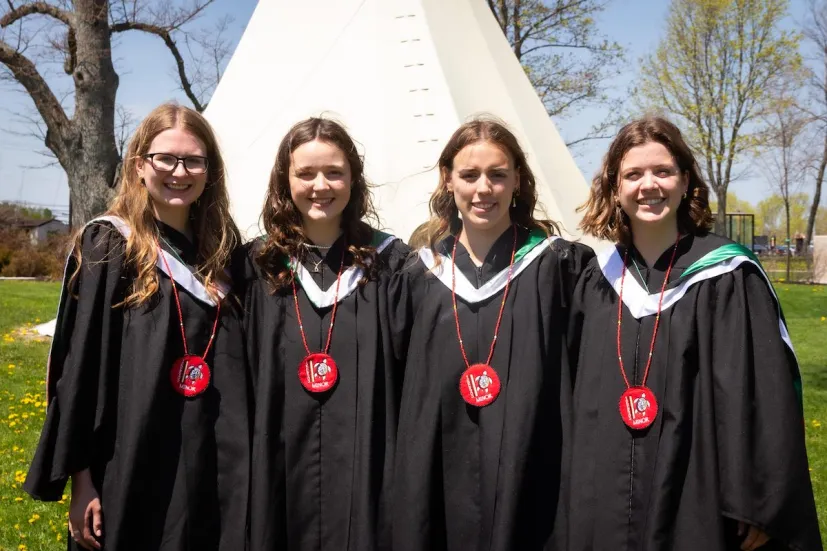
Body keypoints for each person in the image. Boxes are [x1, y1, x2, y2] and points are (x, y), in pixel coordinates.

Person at [565, 116, 822, 551]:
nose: (649, 185)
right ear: (614, 188)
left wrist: (758, 499)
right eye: (633, 174)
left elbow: (762, 393)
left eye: (663, 171)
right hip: (605, 493)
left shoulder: (728, 274)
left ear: (686, 181)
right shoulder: (597, 280)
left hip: (697, 491)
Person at [24, 103, 248, 551]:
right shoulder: (110, 245)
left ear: (210, 171)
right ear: (140, 165)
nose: (179, 172)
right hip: (129, 453)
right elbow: (80, 368)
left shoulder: (223, 253)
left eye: (193, 160)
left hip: (213, 455)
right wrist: (82, 479)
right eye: (165, 158)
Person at [389, 117, 595, 551]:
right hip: (435, 474)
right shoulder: (415, 274)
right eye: (469, 175)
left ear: (517, 180)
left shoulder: (561, 267)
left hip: (532, 470)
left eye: (498, 175)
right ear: (448, 180)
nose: (484, 188)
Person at [237, 117, 410, 551]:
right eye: (306, 173)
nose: (321, 185)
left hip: (366, 465)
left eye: (334, 172)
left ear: (353, 179)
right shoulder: (255, 265)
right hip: (277, 460)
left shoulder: (391, 264)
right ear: (285, 179)